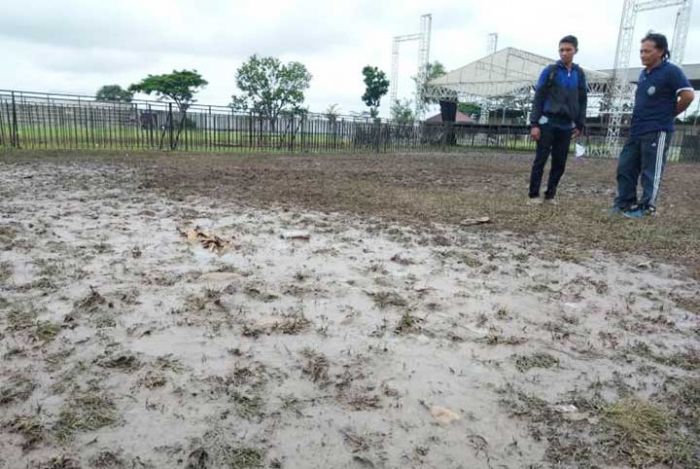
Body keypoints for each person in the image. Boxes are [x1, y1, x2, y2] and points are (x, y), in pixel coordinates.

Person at [612, 32, 695, 218]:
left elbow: (688, 95)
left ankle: (647, 207)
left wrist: (670, 113)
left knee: (651, 170)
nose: (642, 55)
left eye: (647, 51)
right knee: (625, 166)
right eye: (641, 51)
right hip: (637, 130)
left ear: (660, 51)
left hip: (657, 130)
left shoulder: (671, 71)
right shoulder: (644, 74)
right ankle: (624, 203)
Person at [528, 35, 588, 205]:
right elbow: (539, 97)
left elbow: (582, 99)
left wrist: (579, 123)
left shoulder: (579, 74)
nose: (564, 53)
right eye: (561, 50)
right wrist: (534, 124)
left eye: (568, 49)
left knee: (560, 162)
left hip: (566, 125)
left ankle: (550, 195)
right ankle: (533, 195)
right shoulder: (550, 71)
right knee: (540, 159)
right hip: (547, 122)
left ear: (575, 50)